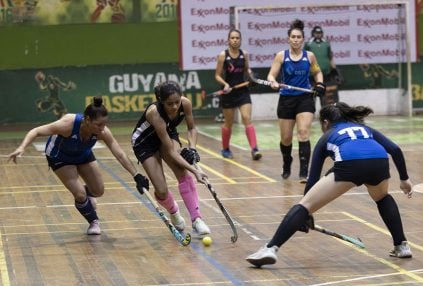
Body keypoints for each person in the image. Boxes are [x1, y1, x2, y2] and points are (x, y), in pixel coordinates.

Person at [246, 102, 414, 267]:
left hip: (349, 164)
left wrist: (306, 213)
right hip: (379, 161)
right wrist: (404, 179)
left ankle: (270, 248)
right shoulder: (366, 129)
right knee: (382, 197)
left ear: (325, 122)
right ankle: (401, 245)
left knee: (304, 204)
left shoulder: (326, 136)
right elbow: (395, 150)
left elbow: (312, 179)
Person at [8, 96, 149, 235]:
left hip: (82, 154)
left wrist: (136, 175)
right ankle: (94, 221)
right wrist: (22, 147)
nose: (102, 128)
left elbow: (119, 154)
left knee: (99, 191)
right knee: (80, 195)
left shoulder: (102, 132)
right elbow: (36, 131)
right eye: (99, 124)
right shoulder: (68, 124)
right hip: (60, 157)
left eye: (104, 124)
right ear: (87, 120)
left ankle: (85, 195)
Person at [131, 81, 211, 236]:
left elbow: (192, 128)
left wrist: (192, 149)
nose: (174, 107)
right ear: (161, 101)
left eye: (177, 102)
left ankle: (197, 219)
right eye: (169, 104)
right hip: (144, 143)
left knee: (182, 173)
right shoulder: (155, 113)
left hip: (167, 134)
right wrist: (195, 170)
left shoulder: (185, 104)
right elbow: (172, 152)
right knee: (161, 191)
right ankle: (174, 212)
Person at [267, 19, 326, 182]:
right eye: (293, 37)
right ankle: (287, 162)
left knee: (303, 133)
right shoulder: (281, 56)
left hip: (305, 99)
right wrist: (273, 81)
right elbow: (271, 74)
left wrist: (319, 83)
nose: (295, 39)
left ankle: (304, 171)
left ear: (303, 39)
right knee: (286, 138)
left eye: (298, 37)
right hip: (286, 99)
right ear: (288, 39)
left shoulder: (310, 56)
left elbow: (317, 73)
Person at [214, 29, 262, 160]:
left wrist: (251, 77)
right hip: (228, 93)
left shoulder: (244, 54)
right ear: (228, 40)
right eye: (232, 38)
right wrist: (225, 84)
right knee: (228, 123)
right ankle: (225, 149)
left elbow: (247, 70)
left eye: (237, 38)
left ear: (240, 40)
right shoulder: (223, 55)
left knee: (246, 117)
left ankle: (254, 149)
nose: (235, 40)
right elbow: (217, 75)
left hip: (242, 92)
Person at [304, 26, 342, 107]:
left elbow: (330, 57)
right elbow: (305, 58)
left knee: (325, 95)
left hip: (326, 74)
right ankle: (310, 112)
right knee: (312, 94)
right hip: (312, 75)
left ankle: (324, 111)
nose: (318, 35)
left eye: (320, 33)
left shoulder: (326, 44)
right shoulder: (308, 44)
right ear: (313, 33)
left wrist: (335, 70)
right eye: (316, 33)